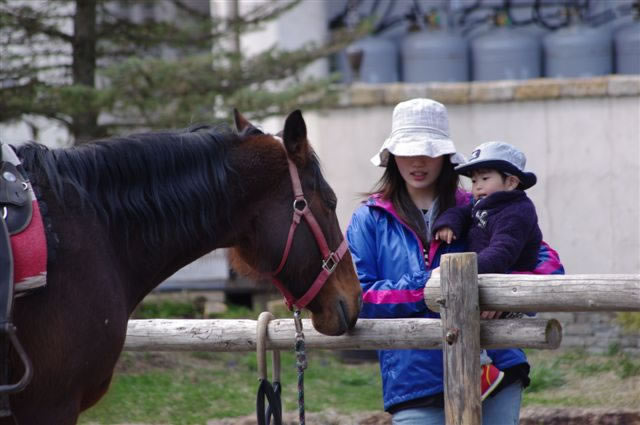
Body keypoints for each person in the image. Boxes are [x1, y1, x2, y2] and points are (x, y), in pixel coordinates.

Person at [346, 98, 564, 425]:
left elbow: (548, 266)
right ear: (392, 156)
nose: (418, 161)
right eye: (407, 151)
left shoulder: (485, 205)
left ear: (446, 156)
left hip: (494, 372)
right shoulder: (369, 219)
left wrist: (501, 295)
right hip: (412, 382)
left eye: (429, 151)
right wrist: (433, 286)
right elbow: (360, 298)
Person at [432, 140, 543, 401]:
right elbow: (462, 212)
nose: (477, 186)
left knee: (476, 322)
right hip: (484, 275)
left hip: (505, 279)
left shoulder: (518, 211)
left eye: (484, 178)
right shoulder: (483, 205)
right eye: (473, 180)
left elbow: (503, 252)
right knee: (466, 321)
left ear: (511, 182)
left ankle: (484, 369)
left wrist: (465, 272)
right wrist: (448, 224)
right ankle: (481, 368)